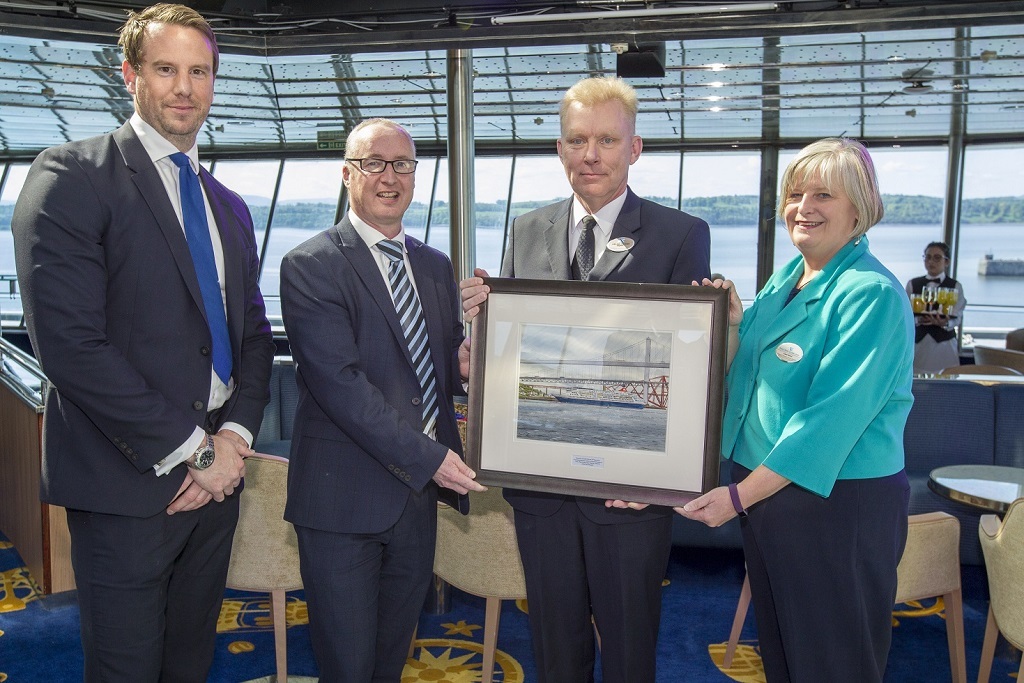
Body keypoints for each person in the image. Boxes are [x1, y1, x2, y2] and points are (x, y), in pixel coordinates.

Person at [11, 4, 275, 681]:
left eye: (199, 71)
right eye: (166, 69)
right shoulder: (70, 176)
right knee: (126, 669)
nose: (184, 87)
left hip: (216, 486)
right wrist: (196, 451)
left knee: (189, 661)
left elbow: (252, 333)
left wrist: (234, 440)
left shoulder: (230, 206)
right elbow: (70, 345)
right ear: (129, 75)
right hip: (127, 484)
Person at [461, 76, 711, 683]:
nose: (590, 154)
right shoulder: (527, 229)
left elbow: (690, 367)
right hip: (541, 485)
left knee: (629, 647)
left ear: (635, 148)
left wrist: (660, 476)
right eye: (576, 140)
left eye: (605, 139)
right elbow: (520, 354)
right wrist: (483, 339)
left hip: (630, 490)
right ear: (560, 148)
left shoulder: (681, 235)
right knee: (553, 645)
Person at [679, 138, 914, 683]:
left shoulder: (869, 294)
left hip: (836, 506)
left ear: (860, 208)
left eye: (823, 194)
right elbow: (746, 381)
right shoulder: (786, 279)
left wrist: (736, 497)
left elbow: (825, 425)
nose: (803, 207)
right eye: (794, 193)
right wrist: (736, 326)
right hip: (773, 497)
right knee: (785, 655)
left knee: (834, 662)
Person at [279, 118, 485, 682]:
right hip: (342, 505)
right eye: (374, 163)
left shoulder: (434, 267)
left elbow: (438, 371)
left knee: (391, 661)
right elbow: (340, 386)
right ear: (348, 174)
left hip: (414, 505)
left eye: (402, 165)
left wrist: (469, 369)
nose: (388, 177)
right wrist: (433, 459)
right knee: (347, 668)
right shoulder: (311, 264)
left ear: (416, 177)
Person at [906, 241, 966, 373]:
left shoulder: (955, 286)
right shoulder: (913, 284)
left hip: (945, 345)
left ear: (947, 262)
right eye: (928, 257)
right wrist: (918, 320)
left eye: (937, 257)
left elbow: (958, 316)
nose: (931, 262)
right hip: (919, 344)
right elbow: (905, 314)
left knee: (947, 379)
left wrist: (945, 323)